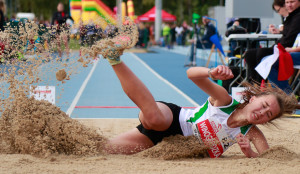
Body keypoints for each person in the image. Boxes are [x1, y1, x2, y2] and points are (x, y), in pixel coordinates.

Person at [97, 33, 300, 158]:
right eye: (264, 105)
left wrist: (250, 153)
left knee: (103, 149)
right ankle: (115, 59)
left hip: (169, 146)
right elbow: (191, 75)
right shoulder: (224, 100)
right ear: (254, 98)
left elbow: (268, 157)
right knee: (154, 118)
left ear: (266, 121)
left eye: (268, 114)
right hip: (171, 120)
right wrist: (210, 73)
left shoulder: (252, 133)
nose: (262, 112)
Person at [244, 0, 300, 84]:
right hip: (285, 47)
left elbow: (290, 37)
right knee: (249, 54)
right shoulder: (291, 17)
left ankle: (263, 85)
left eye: (292, 2)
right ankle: (253, 84)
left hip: (288, 48)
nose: (289, 5)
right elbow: (288, 34)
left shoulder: (297, 17)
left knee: (264, 55)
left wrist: (291, 49)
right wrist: (279, 32)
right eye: (287, 2)